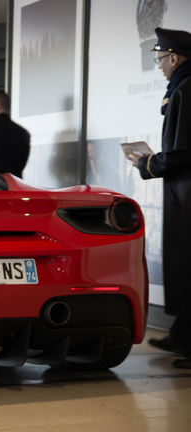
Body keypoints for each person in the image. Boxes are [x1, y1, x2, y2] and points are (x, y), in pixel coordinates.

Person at [128, 27, 191, 369]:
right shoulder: (182, 86)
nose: (158, 65)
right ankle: (182, 333)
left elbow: (182, 154)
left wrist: (145, 162)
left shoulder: (186, 88)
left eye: (160, 57)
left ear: (173, 57)